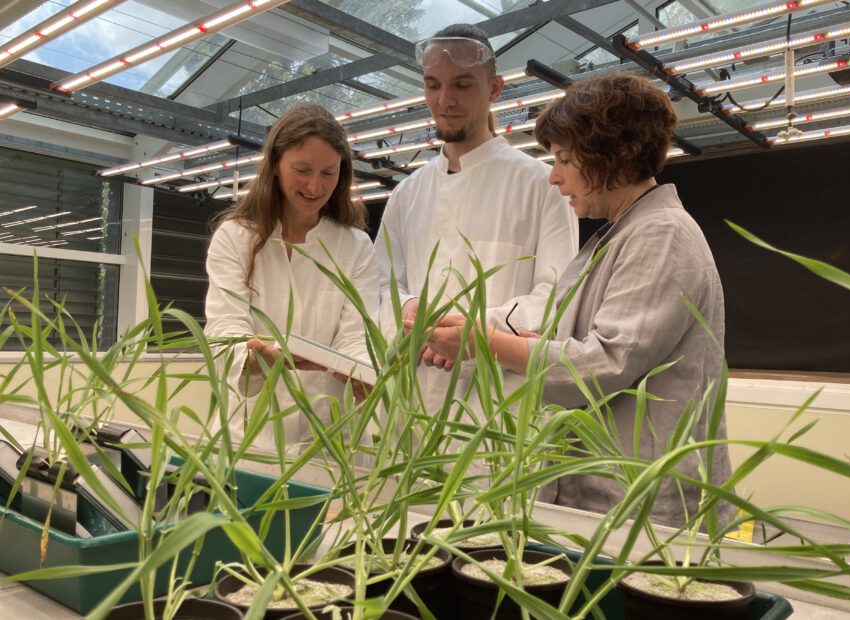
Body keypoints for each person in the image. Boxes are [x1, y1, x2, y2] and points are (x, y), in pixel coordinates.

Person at [420, 72, 732, 526]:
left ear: (614, 156)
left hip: (643, 505)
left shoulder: (661, 234)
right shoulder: (620, 235)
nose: (554, 177)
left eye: (565, 159)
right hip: (604, 488)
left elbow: (606, 363)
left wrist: (485, 344)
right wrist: (507, 340)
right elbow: (588, 343)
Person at [374, 23, 578, 414]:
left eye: (463, 85)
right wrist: (407, 307)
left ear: (495, 88)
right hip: (412, 403)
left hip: (500, 405)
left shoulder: (542, 185)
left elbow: (556, 295)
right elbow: (380, 283)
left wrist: (475, 331)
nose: (445, 100)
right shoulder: (407, 194)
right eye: (433, 85)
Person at [205, 102, 378, 452]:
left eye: (328, 173)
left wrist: (361, 372)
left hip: (329, 438)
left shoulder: (355, 245)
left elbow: (357, 335)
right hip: (248, 438)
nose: (315, 185)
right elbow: (224, 330)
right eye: (302, 170)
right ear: (275, 166)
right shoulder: (236, 237)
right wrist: (255, 356)